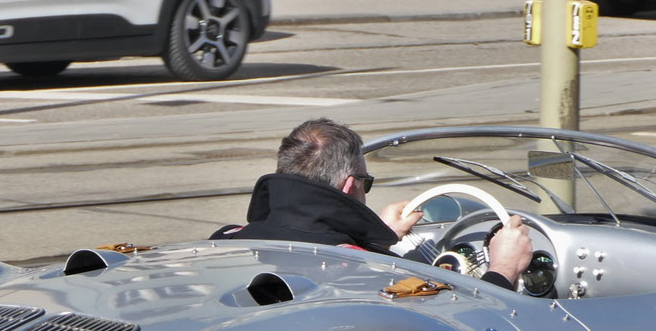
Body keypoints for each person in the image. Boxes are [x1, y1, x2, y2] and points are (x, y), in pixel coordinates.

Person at [216, 117, 533, 289]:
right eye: (366, 183)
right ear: (350, 185)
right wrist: (503, 268)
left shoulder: (228, 241)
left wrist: (378, 235)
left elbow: (311, 233)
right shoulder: (368, 273)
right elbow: (467, 330)